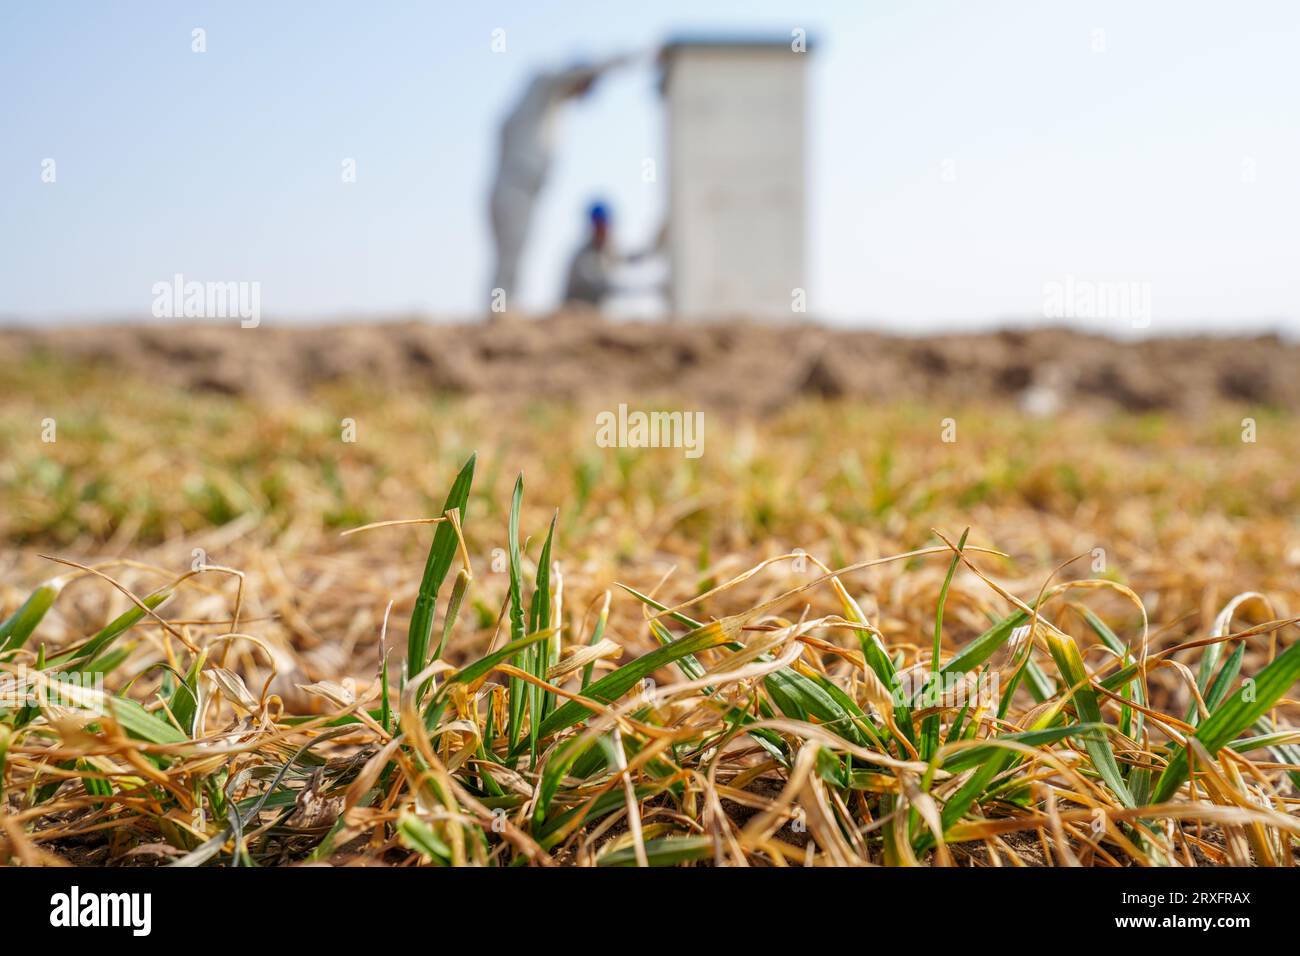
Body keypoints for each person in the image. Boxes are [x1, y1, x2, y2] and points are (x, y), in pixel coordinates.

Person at [487, 57, 628, 310]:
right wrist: (623, 61)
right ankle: (500, 311)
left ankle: (502, 309)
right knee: (509, 259)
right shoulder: (541, 85)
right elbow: (578, 74)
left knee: (514, 257)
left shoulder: (547, 113)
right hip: (514, 187)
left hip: (522, 190)